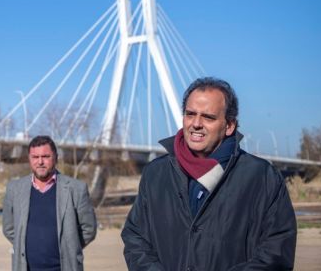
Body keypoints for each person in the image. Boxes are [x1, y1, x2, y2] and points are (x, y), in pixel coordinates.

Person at [121, 77, 297, 270]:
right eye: (190, 114)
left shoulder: (262, 177)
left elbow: (276, 253)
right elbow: (135, 236)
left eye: (208, 117)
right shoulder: (156, 174)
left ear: (229, 126)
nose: (196, 124)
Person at [2, 135, 97, 271]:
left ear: (55, 158)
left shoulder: (76, 189)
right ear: (29, 159)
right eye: (35, 157)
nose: (40, 162)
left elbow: (89, 229)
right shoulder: (15, 189)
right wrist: (23, 244)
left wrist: (68, 246)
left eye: (46, 156)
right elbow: (8, 228)